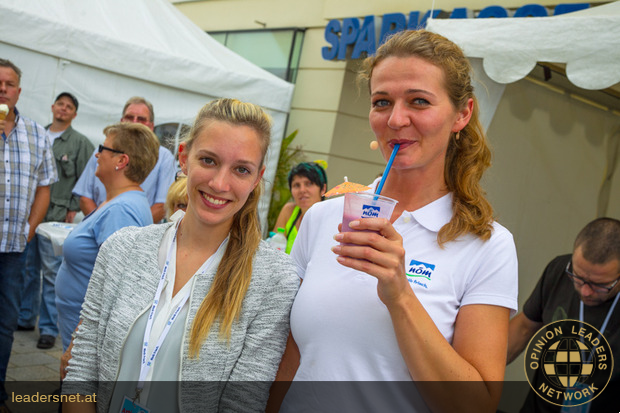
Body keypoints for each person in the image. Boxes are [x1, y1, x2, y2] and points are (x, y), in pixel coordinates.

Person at [273, 30, 518, 413]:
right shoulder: (324, 217)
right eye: (382, 102)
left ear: (462, 113)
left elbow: (478, 404)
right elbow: (289, 356)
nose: (396, 119)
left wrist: (400, 295)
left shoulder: (488, 246)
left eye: (419, 101)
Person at [62, 99, 300, 412]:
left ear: (257, 178)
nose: (219, 183)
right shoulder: (122, 248)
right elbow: (82, 367)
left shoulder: (273, 280)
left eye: (241, 169)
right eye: (209, 160)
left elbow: (243, 403)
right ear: (184, 158)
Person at [55, 122, 158, 354]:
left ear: (121, 161)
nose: (97, 154)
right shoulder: (120, 202)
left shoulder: (120, 210)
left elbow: (115, 286)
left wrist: (78, 343)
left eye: (103, 148)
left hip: (86, 334)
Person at [507, 217, 620, 412]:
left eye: (600, 285)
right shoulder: (559, 270)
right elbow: (524, 329)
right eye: (578, 277)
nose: (585, 291)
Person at [0, 58, 57, 413]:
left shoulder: (37, 134)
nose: (2, 88)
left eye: (8, 83)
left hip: (12, 247)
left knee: (4, 324)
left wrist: (30, 228)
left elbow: (45, 187)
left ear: (19, 91)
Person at [17, 92, 94, 350]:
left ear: (74, 114)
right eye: (60, 104)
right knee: (28, 271)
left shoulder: (80, 143)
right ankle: (26, 317)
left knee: (51, 275)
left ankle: (49, 328)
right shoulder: (35, 134)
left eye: (69, 106)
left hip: (56, 219)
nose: (63, 109)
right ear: (52, 107)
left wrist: (73, 208)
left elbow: (87, 178)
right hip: (29, 215)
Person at [72, 96, 175, 223]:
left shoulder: (164, 158)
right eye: (129, 117)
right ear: (121, 121)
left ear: (151, 126)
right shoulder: (101, 151)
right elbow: (85, 196)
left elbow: (161, 206)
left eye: (141, 119)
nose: (134, 122)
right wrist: (101, 226)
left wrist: (127, 235)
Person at [272, 161, 327, 254]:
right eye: (296, 185)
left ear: (323, 189)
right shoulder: (289, 211)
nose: (302, 190)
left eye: (309, 184)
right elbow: (273, 248)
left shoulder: (329, 218)